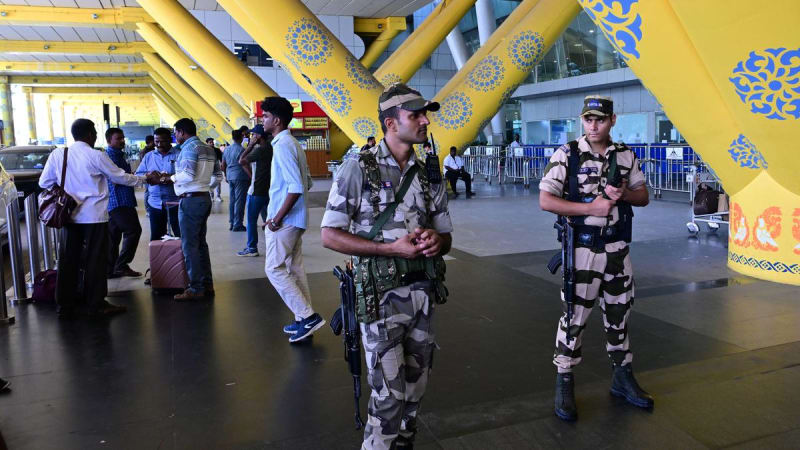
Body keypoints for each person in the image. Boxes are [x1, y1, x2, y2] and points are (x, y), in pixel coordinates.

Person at [321, 83, 452, 449]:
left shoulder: (428, 173)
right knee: (389, 396)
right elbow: (330, 235)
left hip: (422, 295)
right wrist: (390, 247)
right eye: (416, 115)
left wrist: (436, 242)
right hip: (380, 300)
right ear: (391, 124)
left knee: (415, 390)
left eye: (425, 114)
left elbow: (446, 235)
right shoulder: (357, 169)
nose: (426, 121)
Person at [538, 95, 652, 422]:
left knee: (619, 314)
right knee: (574, 318)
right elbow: (546, 200)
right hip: (583, 251)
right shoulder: (568, 155)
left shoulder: (625, 156)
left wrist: (623, 195)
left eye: (600, 120)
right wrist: (591, 208)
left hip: (618, 250)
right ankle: (564, 381)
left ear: (612, 120)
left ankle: (622, 376)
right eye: (588, 119)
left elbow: (643, 195)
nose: (593, 125)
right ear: (582, 120)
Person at [39, 119, 156, 318]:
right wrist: (144, 178)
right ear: (90, 134)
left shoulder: (59, 154)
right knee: (95, 260)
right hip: (93, 216)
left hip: (69, 216)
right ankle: (96, 304)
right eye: (94, 132)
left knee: (68, 260)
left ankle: (64, 305)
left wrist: (68, 189)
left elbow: (45, 182)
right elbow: (119, 176)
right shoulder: (96, 155)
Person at [260, 96, 322, 343]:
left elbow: (296, 187)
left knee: (273, 268)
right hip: (296, 219)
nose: (261, 119)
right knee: (293, 268)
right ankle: (301, 320)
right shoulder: (292, 143)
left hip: (285, 221)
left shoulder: (283, 145)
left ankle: (307, 316)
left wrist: (276, 218)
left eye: (265, 116)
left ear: (276, 120)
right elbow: (307, 181)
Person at [169, 119, 223, 300]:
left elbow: (188, 174)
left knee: (189, 245)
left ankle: (195, 288)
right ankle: (207, 284)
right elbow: (218, 176)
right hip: (204, 199)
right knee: (201, 244)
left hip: (190, 201)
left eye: (175, 132)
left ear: (182, 132)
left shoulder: (189, 149)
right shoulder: (208, 149)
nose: (175, 136)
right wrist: (206, 187)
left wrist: (171, 178)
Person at [105, 127, 143, 278]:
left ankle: (110, 269)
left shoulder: (119, 155)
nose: (122, 141)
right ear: (109, 141)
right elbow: (119, 178)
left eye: (123, 138)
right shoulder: (110, 157)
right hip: (119, 201)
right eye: (118, 139)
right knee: (133, 230)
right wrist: (141, 179)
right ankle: (121, 265)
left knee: (113, 237)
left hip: (118, 201)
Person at [135, 127, 180, 240]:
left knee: (181, 236)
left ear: (170, 139)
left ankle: (180, 258)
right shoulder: (149, 156)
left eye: (162, 141)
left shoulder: (179, 155)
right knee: (156, 238)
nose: (159, 144)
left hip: (176, 203)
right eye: (156, 141)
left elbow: (185, 176)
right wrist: (150, 175)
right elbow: (139, 174)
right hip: (155, 203)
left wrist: (168, 177)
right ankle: (159, 258)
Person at [236, 124, 272, 257]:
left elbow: (241, 161)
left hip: (256, 191)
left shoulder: (259, 150)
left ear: (258, 136)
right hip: (268, 190)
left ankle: (252, 248)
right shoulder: (271, 148)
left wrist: (250, 146)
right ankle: (275, 246)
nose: (251, 137)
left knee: (251, 220)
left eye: (253, 135)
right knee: (269, 220)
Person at [221, 129, 249, 232]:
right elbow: (244, 164)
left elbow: (223, 165)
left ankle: (232, 222)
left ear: (232, 138)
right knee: (240, 201)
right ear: (241, 137)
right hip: (240, 177)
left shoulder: (227, 150)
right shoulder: (242, 150)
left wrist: (226, 175)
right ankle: (238, 224)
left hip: (230, 177)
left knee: (232, 200)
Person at [207, 137, 223, 202]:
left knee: (218, 182)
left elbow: (221, 159)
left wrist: (222, 165)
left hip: (216, 168)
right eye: (210, 142)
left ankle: (218, 196)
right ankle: (211, 196)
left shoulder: (217, 150)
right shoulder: (206, 151)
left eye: (212, 142)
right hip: (209, 168)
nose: (212, 143)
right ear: (207, 143)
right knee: (210, 183)